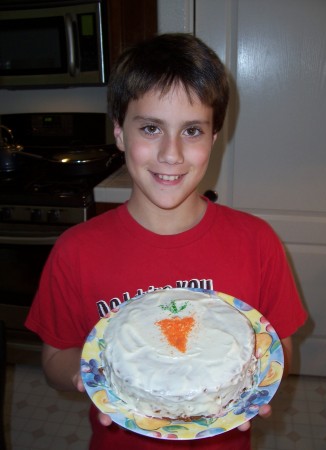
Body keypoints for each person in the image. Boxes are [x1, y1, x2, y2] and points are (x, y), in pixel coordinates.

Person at [25, 33, 307, 450]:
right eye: (152, 128)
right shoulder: (76, 250)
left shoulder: (257, 242)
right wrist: (91, 377)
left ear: (214, 139)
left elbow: (278, 346)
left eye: (192, 130)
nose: (171, 153)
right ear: (120, 133)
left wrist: (255, 388)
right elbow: (53, 360)